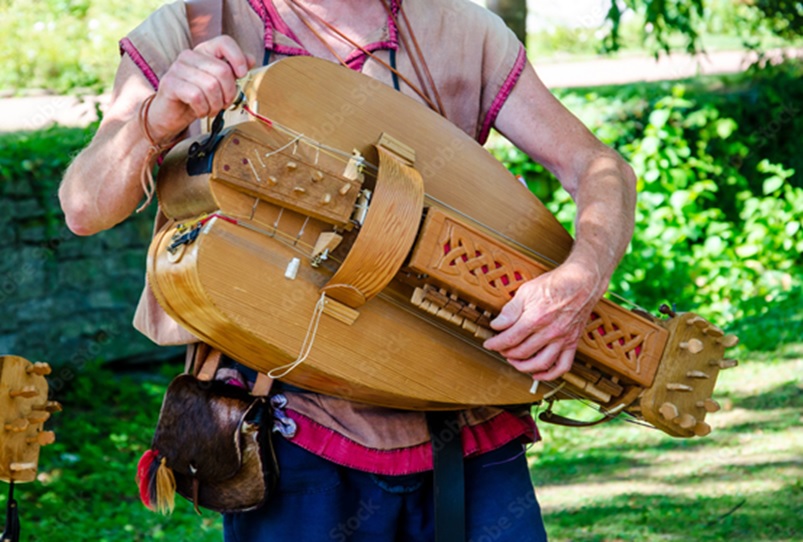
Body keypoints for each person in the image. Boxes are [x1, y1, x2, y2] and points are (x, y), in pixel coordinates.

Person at [59, 0, 636, 540]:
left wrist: (581, 276)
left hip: (464, 422)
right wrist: (153, 120)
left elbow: (597, 165)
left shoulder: (458, 28)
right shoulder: (197, 22)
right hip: (290, 437)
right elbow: (84, 207)